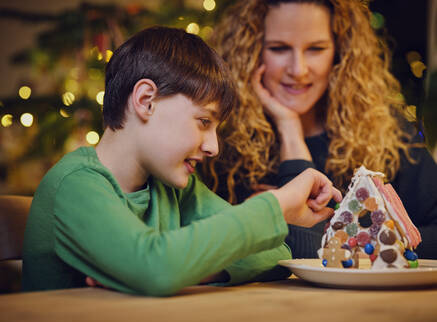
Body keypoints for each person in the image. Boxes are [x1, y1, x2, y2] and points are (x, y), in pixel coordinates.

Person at [22, 26, 342, 296]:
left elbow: (273, 255)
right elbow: (156, 267)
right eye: (204, 121)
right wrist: (279, 202)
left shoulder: (175, 187)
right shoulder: (75, 185)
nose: (213, 147)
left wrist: (187, 268)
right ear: (146, 101)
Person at [204, 0, 437, 259]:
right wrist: (290, 127)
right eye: (279, 48)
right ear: (251, 52)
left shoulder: (388, 131)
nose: (298, 70)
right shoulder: (216, 139)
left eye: (316, 49)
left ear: (339, 53)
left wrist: (361, 243)